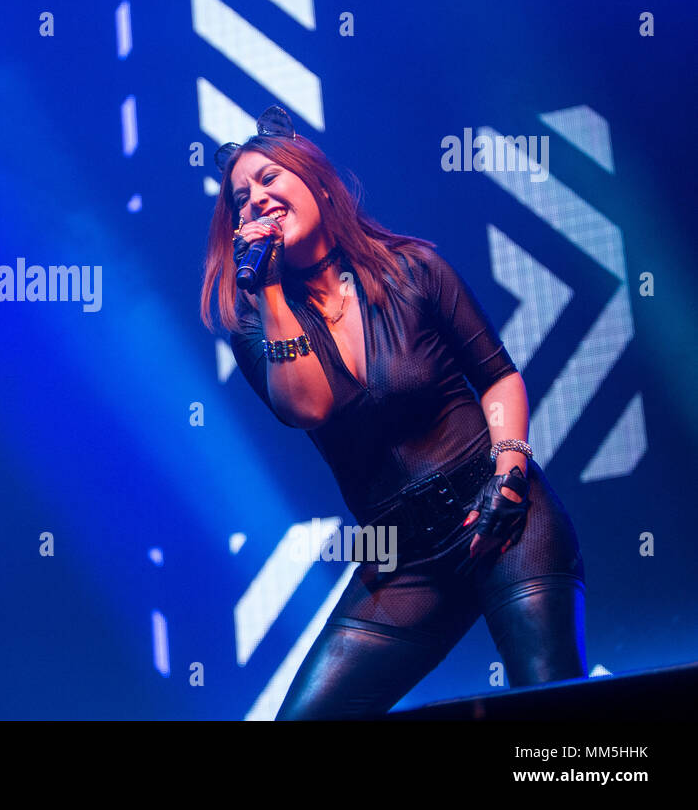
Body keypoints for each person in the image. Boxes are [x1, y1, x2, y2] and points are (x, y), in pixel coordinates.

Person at [199, 105, 587, 719]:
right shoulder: (256, 327)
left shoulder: (414, 269)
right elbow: (310, 407)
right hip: (399, 557)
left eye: (270, 179)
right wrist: (270, 291)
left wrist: (510, 473)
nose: (256, 200)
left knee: (551, 715)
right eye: (241, 199)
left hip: (502, 511)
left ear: (318, 181)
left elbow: (498, 377)